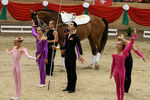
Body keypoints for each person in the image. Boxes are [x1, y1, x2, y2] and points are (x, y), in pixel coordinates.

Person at [110, 28, 137, 100]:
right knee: (117, 87)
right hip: (116, 72)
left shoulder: (124, 52)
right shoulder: (114, 54)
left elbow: (131, 43)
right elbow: (113, 64)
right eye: (116, 44)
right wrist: (111, 72)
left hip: (122, 71)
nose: (116, 45)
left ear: (121, 46)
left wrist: (134, 35)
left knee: (122, 86)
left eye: (118, 44)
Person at [61, 21, 85, 93]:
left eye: (71, 24)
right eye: (69, 24)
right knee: (68, 71)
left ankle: (73, 88)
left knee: (72, 72)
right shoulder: (67, 35)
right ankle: (68, 86)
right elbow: (65, 46)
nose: (69, 25)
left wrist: (80, 55)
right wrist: (57, 48)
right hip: (67, 55)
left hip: (72, 56)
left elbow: (79, 46)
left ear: (74, 27)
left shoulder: (75, 36)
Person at [32, 21, 48, 87]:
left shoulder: (44, 39)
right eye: (37, 30)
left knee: (42, 69)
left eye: (38, 30)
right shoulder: (37, 37)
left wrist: (45, 57)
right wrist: (32, 27)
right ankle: (41, 81)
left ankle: (43, 82)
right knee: (40, 69)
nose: (37, 31)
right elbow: (33, 33)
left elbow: (45, 49)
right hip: (38, 54)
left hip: (42, 55)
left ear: (42, 31)